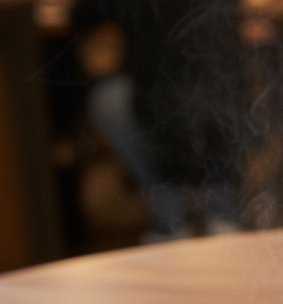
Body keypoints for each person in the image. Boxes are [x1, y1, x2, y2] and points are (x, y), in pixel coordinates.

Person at [72, 0, 248, 241]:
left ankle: (171, 218)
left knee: (108, 99)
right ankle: (218, 214)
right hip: (220, 116)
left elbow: (84, 14)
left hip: (164, 114)